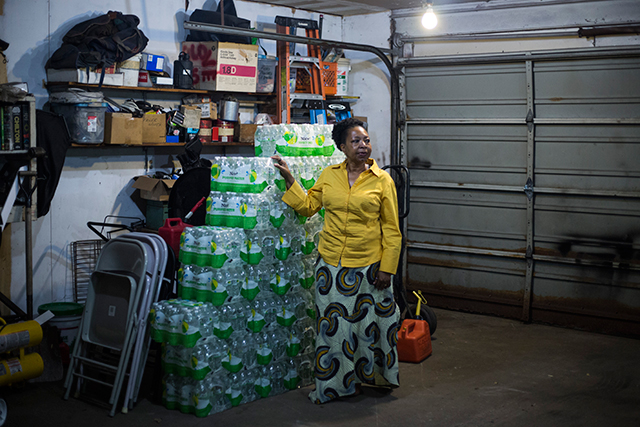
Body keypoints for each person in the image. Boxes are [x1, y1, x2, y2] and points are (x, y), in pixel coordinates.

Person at [272, 118, 403, 404]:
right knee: (334, 332)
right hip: (331, 268)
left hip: (369, 268)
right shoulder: (329, 175)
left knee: (370, 328)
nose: (363, 146)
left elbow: (392, 229)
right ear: (342, 146)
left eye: (366, 140)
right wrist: (290, 180)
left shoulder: (383, 181)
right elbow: (308, 207)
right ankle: (336, 386)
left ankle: (371, 378)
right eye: (356, 141)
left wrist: (387, 268)